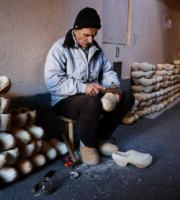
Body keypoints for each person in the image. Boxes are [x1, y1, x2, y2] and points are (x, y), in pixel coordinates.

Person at [44, 7, 135, 165]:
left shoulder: (96, 49)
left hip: (88, 97)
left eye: (94, 35)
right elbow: (53, 82)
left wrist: (113, 86)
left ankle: (99, 138)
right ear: (76, 29)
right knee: (91, 102)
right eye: (86, 35)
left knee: (127, 97)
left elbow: (107, 71)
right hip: (64, 100)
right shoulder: (60, 48)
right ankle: (87, 145)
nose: (91, 40)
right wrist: (83, 87)